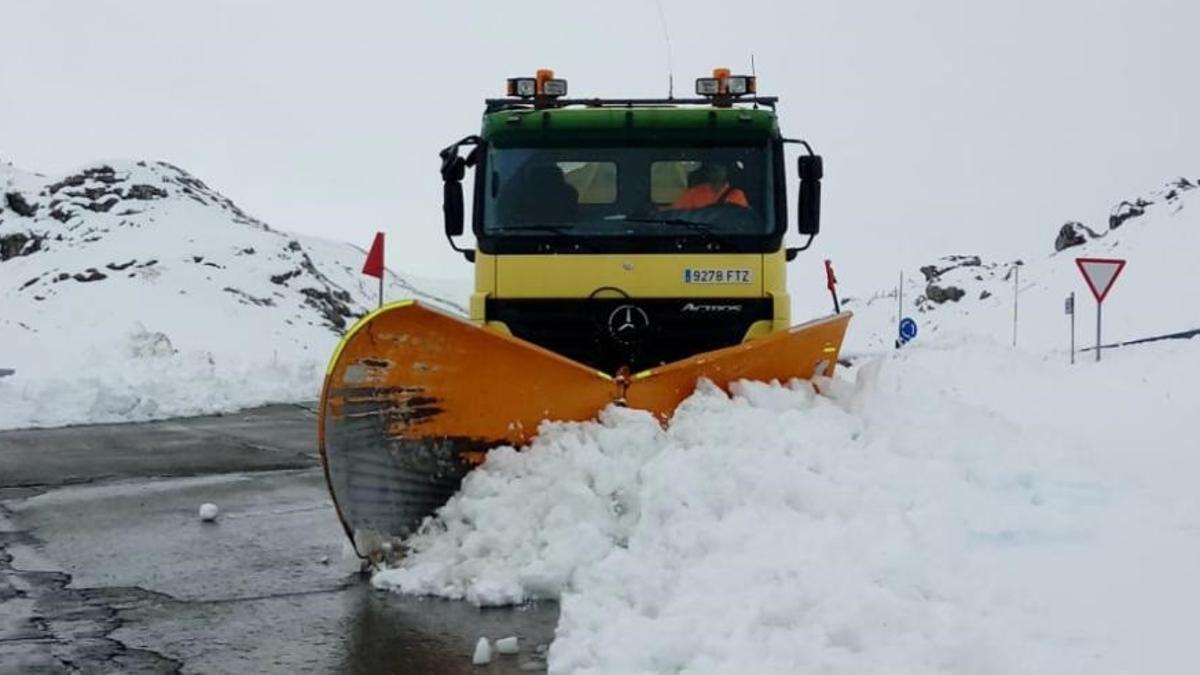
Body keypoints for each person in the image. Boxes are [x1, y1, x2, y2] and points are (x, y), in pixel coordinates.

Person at [671, 161, 748, 210]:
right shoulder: (694, 193)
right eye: (712, 169)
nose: (715, 172)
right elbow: (676, 213)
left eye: (718, 168)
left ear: (726, 171)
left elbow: (741, 221)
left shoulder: (737, 195)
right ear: (708, 172)